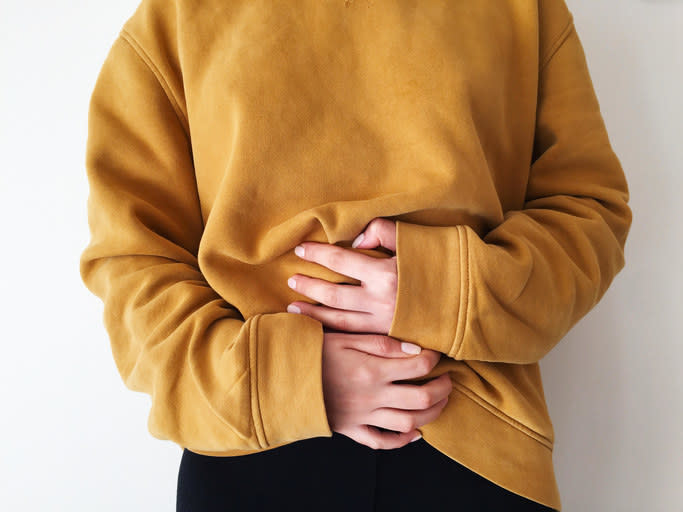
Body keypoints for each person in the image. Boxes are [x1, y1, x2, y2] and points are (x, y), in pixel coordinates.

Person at [79, 0, 632, 510]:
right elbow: (132, 260)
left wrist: (445, 289)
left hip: (476, 440)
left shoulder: (522, 8)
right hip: (252, 447)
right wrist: (289, 382)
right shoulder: (178, 15)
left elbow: (589, 212)